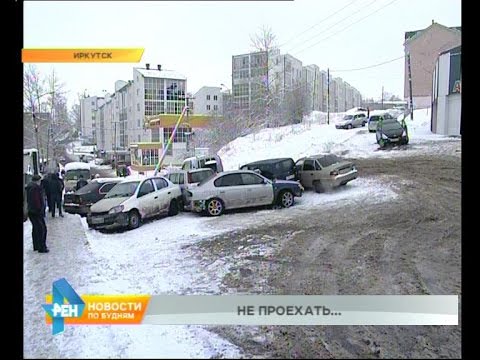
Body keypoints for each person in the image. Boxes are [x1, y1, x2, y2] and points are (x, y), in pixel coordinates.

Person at [26, 175, 48, 253]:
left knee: (36, 228)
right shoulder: (35, 188)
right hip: (36, 211)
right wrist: (40, 209)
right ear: (37, 180)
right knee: (42, 229)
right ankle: (42, 247)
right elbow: (37, 200)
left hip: (31, 210)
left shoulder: (29, 187)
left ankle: (36, 245)